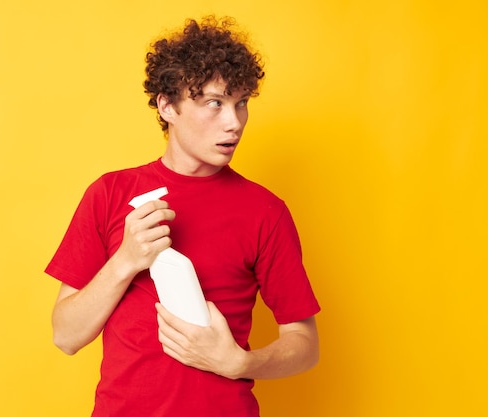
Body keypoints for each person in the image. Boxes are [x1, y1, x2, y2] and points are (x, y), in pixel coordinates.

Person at [46, 16, 320, 417]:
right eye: (215, 103)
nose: (234, 123)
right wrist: (125, 261)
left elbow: (304, 343)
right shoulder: (110, 195)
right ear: (167, 105)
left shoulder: (265, 211)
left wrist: (239, 363)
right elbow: (65, 335)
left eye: (241, 103)